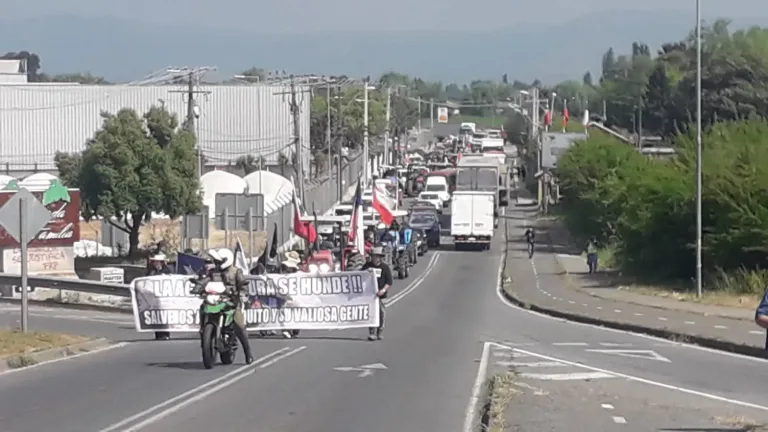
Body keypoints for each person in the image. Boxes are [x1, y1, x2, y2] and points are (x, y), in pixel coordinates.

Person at [194, 248, 254, 364]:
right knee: (203, 307)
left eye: (220, 261)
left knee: (239, 325)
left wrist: (242, 293)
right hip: (216, 300)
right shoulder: (213, 272)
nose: (217, 264)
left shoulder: (236, 271)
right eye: (217, 261)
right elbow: (206, 281)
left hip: (231, 302)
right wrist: (197, 287)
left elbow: (243, 284)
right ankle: (203, 329)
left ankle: (248, 352)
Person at [362, 246, 393, 341]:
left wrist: (383, 290)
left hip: (381, 295)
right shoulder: (367, 266)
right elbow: (360, 275)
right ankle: (372, 333)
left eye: (377, 256)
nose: (375, 258)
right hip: (370, 295)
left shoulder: (385, 267)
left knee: (381, 313)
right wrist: (365, 272)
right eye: (374, 256)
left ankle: (380, 332)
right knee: (371, 313)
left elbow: (389, 282)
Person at [146, 253, 173, 340]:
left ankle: (165, 334)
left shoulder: (167, 271)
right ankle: (158, 334)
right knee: (156, 315)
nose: (156, 264)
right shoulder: (151, 271)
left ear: (162, 263)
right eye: (155, 262)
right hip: (154, 297)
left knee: (164, 315)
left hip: (164, 297)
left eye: (158, 262)